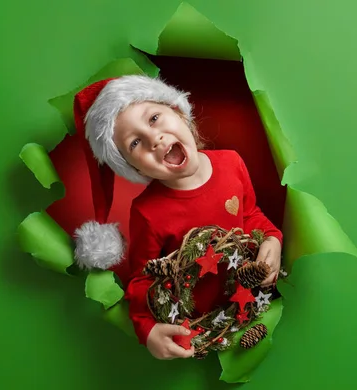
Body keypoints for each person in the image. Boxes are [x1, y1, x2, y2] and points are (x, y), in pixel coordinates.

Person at [71, 75, 283, 360]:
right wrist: (147, 330)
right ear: (132, 167)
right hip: (202, 329)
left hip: (253, 302)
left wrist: (272, 239)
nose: (154, 139)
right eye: (135, 143)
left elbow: (250, 215)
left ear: (180, 112)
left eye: (155, 118)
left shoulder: (232, 163)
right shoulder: (148, 213)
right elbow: (143, 280)